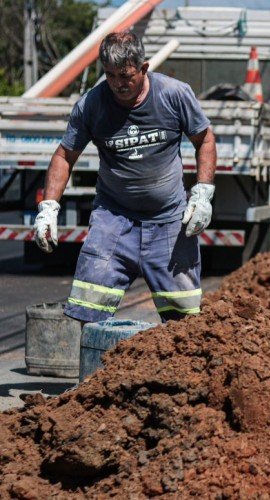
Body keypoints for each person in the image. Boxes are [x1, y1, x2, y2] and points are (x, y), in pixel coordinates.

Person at [32, 31, 217, 323]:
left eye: (126, 75)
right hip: (114, 219)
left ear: (143, 68)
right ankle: (90, 364)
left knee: (185, 319)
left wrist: (203, 193)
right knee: (86, 306)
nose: (118, 83)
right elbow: (64, 156)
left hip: (169, 219)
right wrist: (49, 208)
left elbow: (204, 139)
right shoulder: (92, 104)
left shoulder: (173, 94)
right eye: (110, 75)